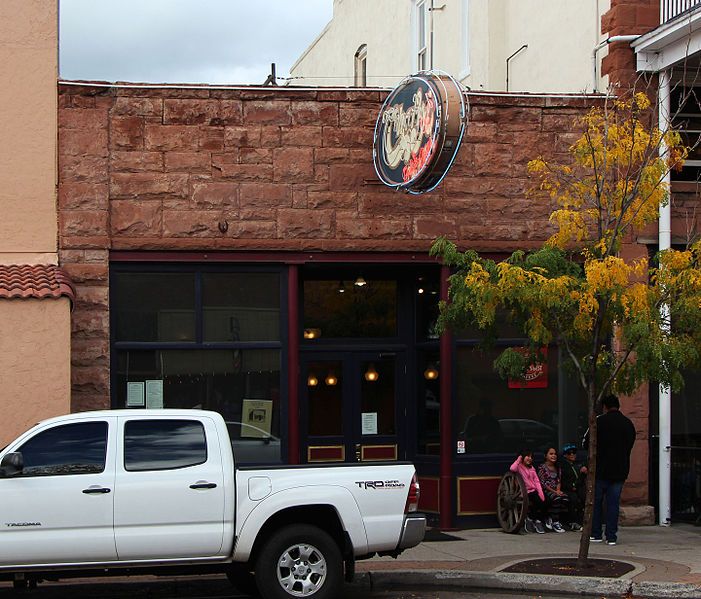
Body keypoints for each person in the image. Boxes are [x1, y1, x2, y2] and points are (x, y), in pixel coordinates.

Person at [590, 394, 636, 546]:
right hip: (619, 470)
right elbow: (630, 444)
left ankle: (596, 533)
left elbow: (586, 442)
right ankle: (611, 536)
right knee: (613, 504)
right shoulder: (628, 424)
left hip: (600, 470)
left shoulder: (599, 422)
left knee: (596, 503)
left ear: (605, 407)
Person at [510, 449, 547, 534]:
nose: (530, 458)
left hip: (533, 490)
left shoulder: (532, 468)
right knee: (538, 501)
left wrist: (540, 492)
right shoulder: (518, 466)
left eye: (531, 457)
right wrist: (519, 459)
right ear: (522, 457)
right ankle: (531, 518)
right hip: (525, 492)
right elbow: (512, 469)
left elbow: (537, 481)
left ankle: (536, 520)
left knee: (545, 500)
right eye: (527, 456)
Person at [537, 447, 569, 532]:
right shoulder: (542, 467)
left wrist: (558, 490)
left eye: (555, 454)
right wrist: (555, 492)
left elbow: (559, 481)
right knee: (557, 498)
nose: (553, 456)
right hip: (546, 490)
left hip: (556, 490)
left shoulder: (558, 467)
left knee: (565, 498)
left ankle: (552, 517)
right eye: (551, 454)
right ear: (545, 456)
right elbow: (543, 483)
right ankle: (555, 522)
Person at [561, 443, 587, 531]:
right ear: (565, 455)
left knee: (584, 497)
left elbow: (580, 479)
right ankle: (573, 522)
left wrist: (583, 473)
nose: (572, 455)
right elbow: (562, 480)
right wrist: (571, 487)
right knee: (573, 499)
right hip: (567, 489)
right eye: (569, 453)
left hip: (577, 487)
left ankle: (582, 521)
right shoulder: (563, 466)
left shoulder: (577, 465)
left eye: (574, 453)